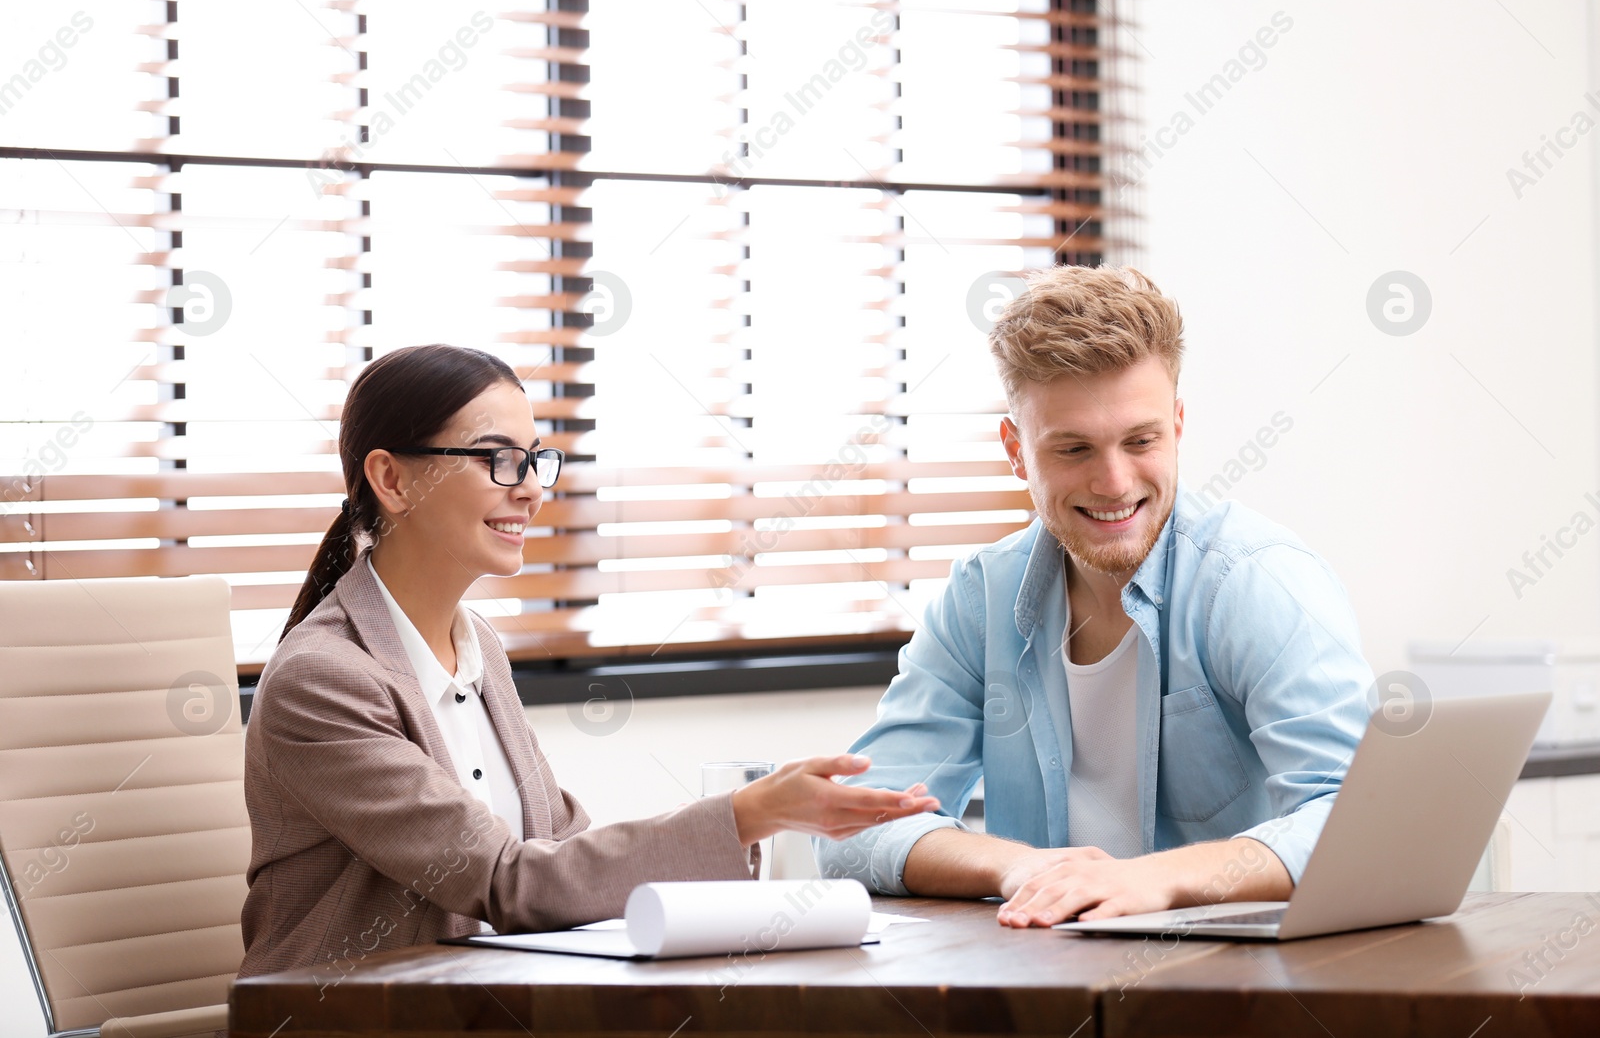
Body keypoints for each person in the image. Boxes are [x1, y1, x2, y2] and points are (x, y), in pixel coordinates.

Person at [238, 344, 939, 981]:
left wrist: (755, 834)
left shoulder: (477, 645)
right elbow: (508, 880)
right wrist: (746, 813)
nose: (532, 488)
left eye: (536, 458)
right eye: (497, 458)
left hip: (488, 1003)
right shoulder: (323, 678)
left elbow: (564, 851)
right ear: (391, 479)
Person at [814, 265, 1372, 927]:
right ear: (1016, 450)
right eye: (1074, 448)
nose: (1113, 482)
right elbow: (855, 823)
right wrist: (1017, 866)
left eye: (1141, 440)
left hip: (1235, 992)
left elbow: (1358, 822)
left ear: (1179, 423)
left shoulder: (1256, 582)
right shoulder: (981, 598)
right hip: (1048, 984)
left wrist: (1153, 881)